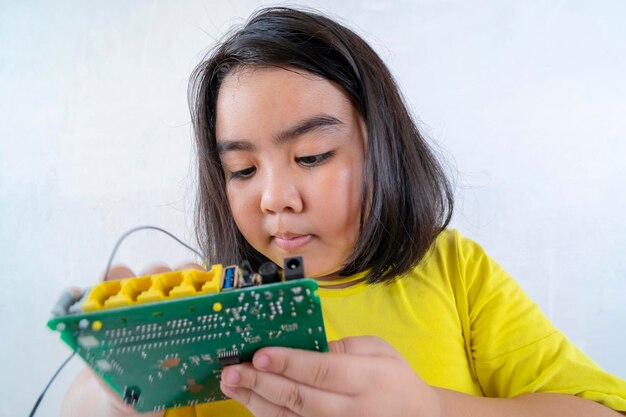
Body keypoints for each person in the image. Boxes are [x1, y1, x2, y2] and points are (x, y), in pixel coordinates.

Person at [61, 6, 626, 417]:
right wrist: (113, 389)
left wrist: (431, 409)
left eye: (312, 155)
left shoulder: (455, 271)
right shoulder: (203, 319)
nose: (275, 197)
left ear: (381, 147)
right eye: (242, 170)